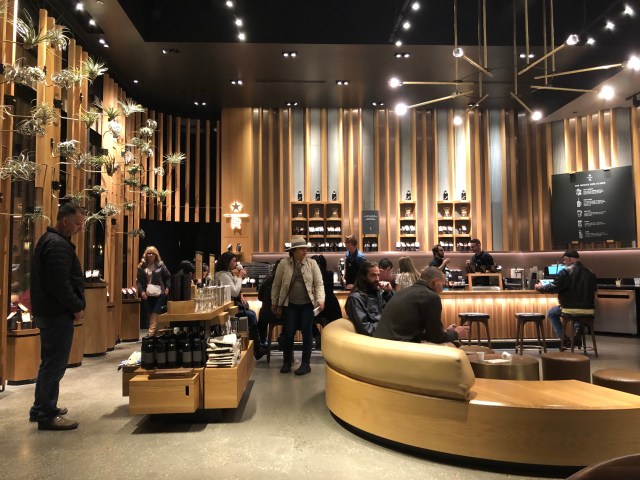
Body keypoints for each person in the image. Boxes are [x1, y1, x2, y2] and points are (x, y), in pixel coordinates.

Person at [29, 202, 86, 430]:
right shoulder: (57, 245)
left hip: (51, 313)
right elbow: (59, 285)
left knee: (49, 363)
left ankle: (39, 408)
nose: (80, 228)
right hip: (56, 314)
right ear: (65, 221)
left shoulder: (52, 241)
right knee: (55, 365)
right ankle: (47, 414)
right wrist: (76, 306)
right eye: (78, 224)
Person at [271, 236, 325, 375]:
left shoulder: (312, 264)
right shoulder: (284, 264)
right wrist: (274, 302)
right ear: (294, 251)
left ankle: (306, 364)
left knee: (307, 333)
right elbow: (276, 284)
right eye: (302, 249)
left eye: (306, 248)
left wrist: (320, 300)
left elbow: (319, 284)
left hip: (307, 305)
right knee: (289, 333)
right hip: (290, 305)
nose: (305, 251)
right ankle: (287, 362)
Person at [375, 267, 470, 344]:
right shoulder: (431, 297)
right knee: (451, 347)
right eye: (443, 285)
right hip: (397, 348)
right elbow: (436, 338)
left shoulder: (404, 291)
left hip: (382, 345)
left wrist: (446, 332)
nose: (442, 289)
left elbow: (421, 332)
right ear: (435, 282)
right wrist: (456, 334)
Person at [535, 249, 596, 347]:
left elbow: (553, 287)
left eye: (564, 260)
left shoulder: (565, 272)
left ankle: (565, 340)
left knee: (551, 313)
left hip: (570, 308)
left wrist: (540, 288)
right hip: (589, 310)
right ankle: (576, 336)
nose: (564, 262)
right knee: (579, 315)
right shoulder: (590, 273)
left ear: (568, 259)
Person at [215, 252, 266, 360]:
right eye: (234, 261)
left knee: (251, 314)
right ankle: (257, 348)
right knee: (251, 316)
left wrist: (240, 292)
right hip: (228, 309)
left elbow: (236, 289)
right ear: (227, 262)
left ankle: (257, 346)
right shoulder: (223, 275)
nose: (235, 263)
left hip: (232, 306)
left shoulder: (228, 273)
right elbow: (234, 291)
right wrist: (240, 277)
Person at [345, 261, 393, 336]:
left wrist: (388, 292)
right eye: (373, 275)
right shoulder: (356, 299)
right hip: (375, 338)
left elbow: (394, 311)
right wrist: (387, 325)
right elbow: (366, 329)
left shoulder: (379, 293)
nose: (377, 279)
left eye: (378, 275)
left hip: (387, 332)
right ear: (363, 277)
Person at [136, 246, 171, 336]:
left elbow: (168, 276)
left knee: (155, 311)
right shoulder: (141, 266)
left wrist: (167, 287)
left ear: (156, 255)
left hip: (159, 292)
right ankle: (155, 333)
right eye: (148, 253)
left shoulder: (160, 265)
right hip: (146, 293)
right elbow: (139, 281)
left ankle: (151, 333)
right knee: (150, 313)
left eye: (152, 253)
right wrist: (141, 291)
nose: (150, 255)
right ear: (146, 254)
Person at [257, 259, 282, 350]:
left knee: (262, 313)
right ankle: (283, 338)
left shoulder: (267, 280)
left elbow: (260, 297)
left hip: (266, 315)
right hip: (282, 315)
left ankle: (262, 341)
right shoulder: (287, 281)